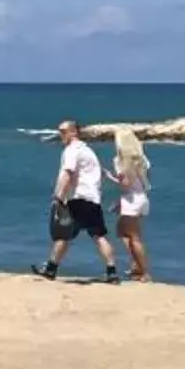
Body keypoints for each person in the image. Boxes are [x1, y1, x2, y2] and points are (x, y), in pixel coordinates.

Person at [32, 119, 119, 283]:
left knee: (63, 234)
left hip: (78, 198)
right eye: (59, 131)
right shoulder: (89, 152)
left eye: (64, 131)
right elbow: (98, 173)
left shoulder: (72, 150)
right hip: (93, 198)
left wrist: (58, 196)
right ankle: (112, 272)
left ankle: (50, 269)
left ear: (74, 132)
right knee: (99, 235)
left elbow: (68, 173)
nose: (61, 135)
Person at [110, 124, 153, 281]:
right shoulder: (142, 159)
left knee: (132, 236)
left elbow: (125, 183)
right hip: (141, 197)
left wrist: (110, 178)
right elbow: (145, 180)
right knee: (123, 232)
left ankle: (144, 270)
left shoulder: (120, 161)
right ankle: (137, 265)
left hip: (131, 199)